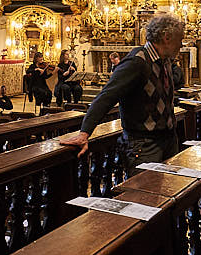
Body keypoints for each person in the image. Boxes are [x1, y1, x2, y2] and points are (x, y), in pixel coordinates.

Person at [58, 13, 185, 165]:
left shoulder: (164, 60)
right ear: (166, 37)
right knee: (145, 188)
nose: (181, 45)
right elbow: (107, 96)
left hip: (168, 139)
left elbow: (174, 85)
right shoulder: (137, 62)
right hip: (144, 145)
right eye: (180, 39)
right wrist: (84, 133)